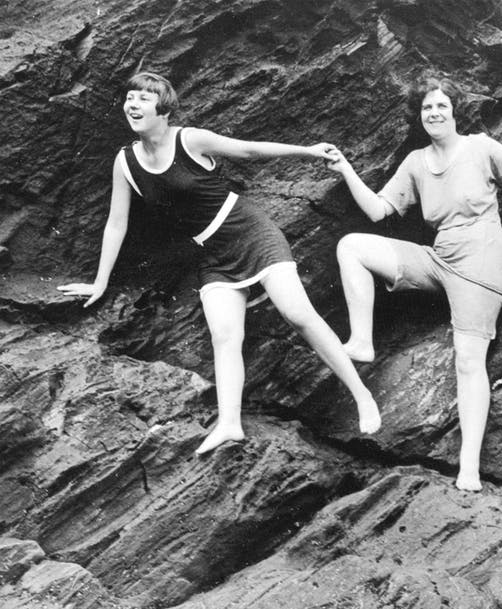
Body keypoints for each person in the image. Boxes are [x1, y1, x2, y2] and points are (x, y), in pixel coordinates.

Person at [58, 72, 380, 454]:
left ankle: (361, 395)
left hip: (250, 232)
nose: (133, 104)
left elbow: (248, 150)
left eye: (144, 98)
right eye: (130, 97)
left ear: (164, 110)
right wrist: (100, 282)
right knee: (224, 336)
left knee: (297, 313)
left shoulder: (190, 139)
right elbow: (116, 223)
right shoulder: (125, 162)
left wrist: (307, 151)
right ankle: (230, 424)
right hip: (212, 254)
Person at [327, 75, 502, 492]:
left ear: (454, 111)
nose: (434, 113)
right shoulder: (415, 162)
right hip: (438, 257)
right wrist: (346, 170)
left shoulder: (480, 147)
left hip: (481, 258)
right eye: (427, 107)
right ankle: (361, 341)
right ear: (419, 116)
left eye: (441, 105)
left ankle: (469, 468)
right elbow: (377, 210)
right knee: (352, 246)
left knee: (468, 360)